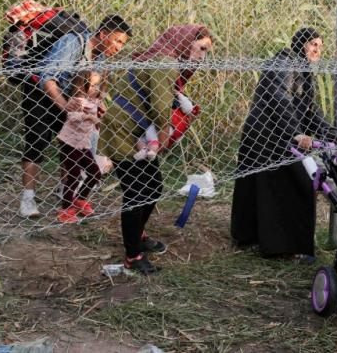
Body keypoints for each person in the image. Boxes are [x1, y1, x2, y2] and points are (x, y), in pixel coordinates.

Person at [98, 24, 213, 275]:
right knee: (136, 192)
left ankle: (137, 235)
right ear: (186, 42)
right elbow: (161, 110)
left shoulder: (165, 59)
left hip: (135, 132)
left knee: (152, 186)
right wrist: (161, 141)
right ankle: (132, 256)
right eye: (201, 48)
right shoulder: (165, 63)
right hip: (123, 132)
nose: (203, 56)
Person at [230, 27, 337, 263]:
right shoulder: (284, 64)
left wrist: (333, 136)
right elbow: (280, 100)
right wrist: (296, 133)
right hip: (267, 134)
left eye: (320, 46)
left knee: (266, 186)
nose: (317, 50)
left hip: (276, 134)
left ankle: (253, 237)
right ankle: (283, 247)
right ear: (300, 44)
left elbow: (310, 110)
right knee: (294, 184)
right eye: (313, 45)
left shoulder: (303, 69)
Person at [17, 14, 132, 218]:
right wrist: (65, 107)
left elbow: (92, 89)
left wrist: (99, 108)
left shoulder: (101, 57)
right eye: (117, 41)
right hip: (41, 96)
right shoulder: (73, 42)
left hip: (71, 103)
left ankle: (65, 191)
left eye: (123, 44)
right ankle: (28, 199)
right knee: (37, 144)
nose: (119, 47)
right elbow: (47, 78)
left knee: (72, 148)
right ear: (103, 33)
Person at [55, 70, 105, 223]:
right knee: (74, 176)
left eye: (98, 85)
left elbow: (100, 116)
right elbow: (72, 116)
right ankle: (66, 209)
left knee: (95, 172)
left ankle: (80, 199)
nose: (96, 88)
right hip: (69, 143)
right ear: (82, 85)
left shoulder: (96, 102)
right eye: (92, 85)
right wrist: (89, 117)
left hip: (83, 144)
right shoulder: (78, 100)